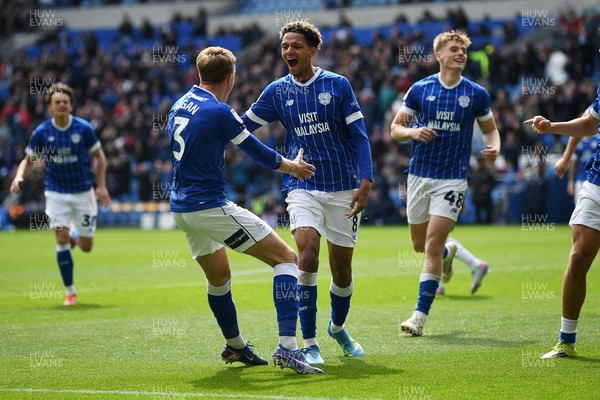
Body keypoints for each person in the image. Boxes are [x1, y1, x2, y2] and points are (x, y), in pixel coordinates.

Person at [168, 46, 322, 374]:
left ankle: (236, 346)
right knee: (287, 259)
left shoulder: (180, 104)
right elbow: (257, 152)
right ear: (231, 77)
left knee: (219, 277)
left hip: (182, 208)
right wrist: (292, 166)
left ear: (199, 74)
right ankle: (288, 348)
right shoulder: (219, 110)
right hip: (207, 204)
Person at [241, 21, 373, 365]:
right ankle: (310, 343)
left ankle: (337, 327)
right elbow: (241, 127)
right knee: (307, 253)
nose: (288, 52)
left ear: (313, 50)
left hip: (344, 185)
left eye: (296, 46)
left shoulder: (338, 85)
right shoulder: (277, 91)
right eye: (285, 46)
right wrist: (210, 124)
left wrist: (366, 182)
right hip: (302, 184)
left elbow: (359, 137)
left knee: (342, 270)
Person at [390, 30, 501, 336]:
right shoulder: (420, 89)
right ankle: (450, 256)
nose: (460, 54)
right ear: (439, 55)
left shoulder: (476, 93)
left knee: (432, 244)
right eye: (454, 49)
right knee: (419, 245)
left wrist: (495, 147)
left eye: (463, 50)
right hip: (419, 176)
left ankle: (418, 317)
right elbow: (395, 129)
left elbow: (491, 130)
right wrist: (413, 132)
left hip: (452, 179)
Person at [10, 83, 111, 307]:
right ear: (50, 108)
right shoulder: (43, 133)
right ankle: (70, 292)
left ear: (71, 105)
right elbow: (28, 161)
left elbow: (100, 157)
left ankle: (76, 235)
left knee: (86, 247)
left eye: (65, 101)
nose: (62, 105)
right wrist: (19, 177)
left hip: (83, 191)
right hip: (56, 192)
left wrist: (101, 186)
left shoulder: (83, 129)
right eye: (57, 102)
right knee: (60, 238)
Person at [524, 91, 600, 359]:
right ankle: (566, 340)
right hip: (596, 182)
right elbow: (590, 123)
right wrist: (551, 126)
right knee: (578, 257)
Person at [555, 131, 600, 205]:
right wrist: (571, 182)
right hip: (581, 179)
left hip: (595, 180)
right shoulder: (578, 142)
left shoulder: (597, 139)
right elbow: (573, 164)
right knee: (579, 206)